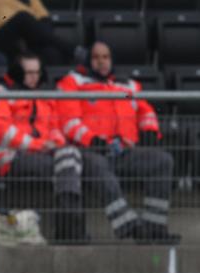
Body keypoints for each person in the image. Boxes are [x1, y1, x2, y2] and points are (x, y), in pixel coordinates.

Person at [57, 42, 179, 244]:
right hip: (91, 152)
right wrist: (93, 140)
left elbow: (144, 110)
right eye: (96, 57)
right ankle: (130, 226)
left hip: (124, 150)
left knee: (162, 160)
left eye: (106, 57)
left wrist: (150, 131)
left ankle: (155, 228)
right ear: (88, 60)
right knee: (100, 168)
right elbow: (68, 120)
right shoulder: (73, 82)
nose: (101, 61)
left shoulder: (126, 85)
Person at [0, 53, 91, 243]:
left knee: (70, 155)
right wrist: (38, 145)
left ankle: (70, 231)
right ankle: (71, 231)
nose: (33, 77)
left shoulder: (43, 95)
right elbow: (1, 131)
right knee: (70, 167)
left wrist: (56, 144)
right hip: (13, 159)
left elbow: (54, 127)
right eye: (28, 73)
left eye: (36, 72)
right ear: (17, 73)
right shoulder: (2, 93)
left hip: (43, 155)